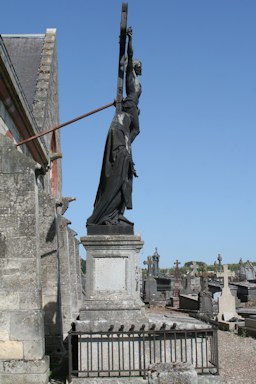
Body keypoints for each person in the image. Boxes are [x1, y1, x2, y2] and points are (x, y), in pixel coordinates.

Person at [86, 27, 142, 227]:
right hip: (130, 107)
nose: (141, 66)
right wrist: (130, 40)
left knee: (135, 132)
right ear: (134, 67)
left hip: (132, 109)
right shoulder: (131, 78)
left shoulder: (138, 82)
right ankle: (110, 212)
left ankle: (118, 212)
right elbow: (129, 56)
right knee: (137, 130)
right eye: (138, 65)